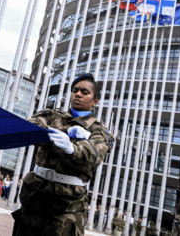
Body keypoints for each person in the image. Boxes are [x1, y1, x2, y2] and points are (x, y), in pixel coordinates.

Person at [12, 72, 113, 236]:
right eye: (75, 90)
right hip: (36, 193)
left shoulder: (98, 130)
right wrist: (65, 132)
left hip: (68, 202)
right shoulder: (51, 116)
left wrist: (74, 148)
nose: (78, 94)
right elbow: (29, 128)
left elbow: (96, 155)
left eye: (84, 92)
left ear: (95, 101)